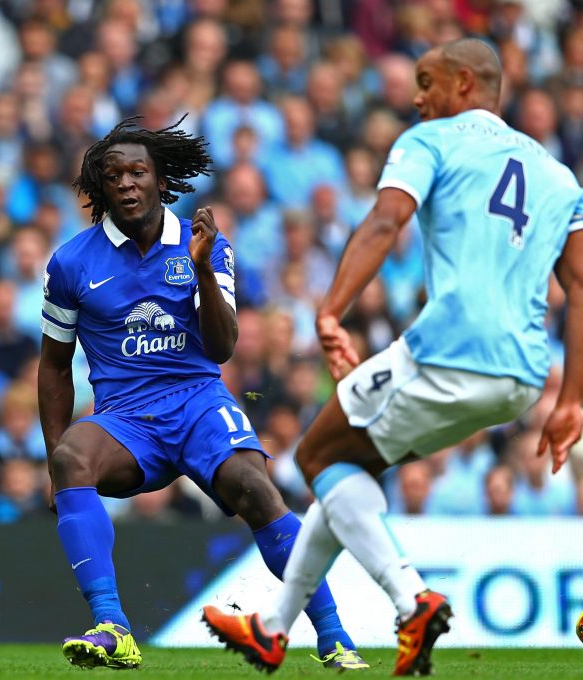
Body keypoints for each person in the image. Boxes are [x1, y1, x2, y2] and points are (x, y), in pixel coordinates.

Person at [202, 38, 583, 676]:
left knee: (317, 455)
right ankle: (272, 628)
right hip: (520, 376)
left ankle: (411, 600)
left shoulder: (428, 140)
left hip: (448, 352)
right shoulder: (558, 175)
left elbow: (385, 222)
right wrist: (570, 398)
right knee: (343, 467)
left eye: (426, 82)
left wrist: (329, 312)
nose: (415, 97)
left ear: (464, 84)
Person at [38, 117, 363, 670]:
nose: (126, 183)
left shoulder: (205, 244)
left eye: (138, 171)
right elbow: (53, 365)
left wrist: (204, 271)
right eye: (113, 175)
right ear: (100, 188)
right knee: (71, 459)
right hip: (124, 421)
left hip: (198, 404)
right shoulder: (71, 263)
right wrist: (52, 460)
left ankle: (334, 635)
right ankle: (112, 626)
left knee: (257, 492)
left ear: (161, 180)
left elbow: (222, 348)